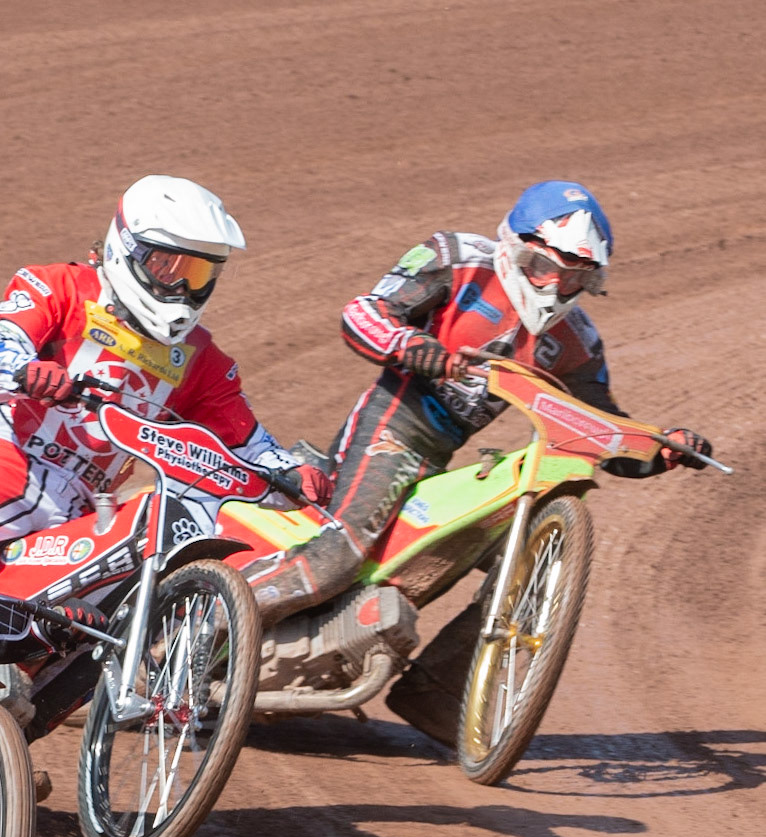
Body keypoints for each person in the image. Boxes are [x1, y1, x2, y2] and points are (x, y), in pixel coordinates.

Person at [240, 181, 713, 739]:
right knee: (342, 555)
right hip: (393, 426)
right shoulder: (455, 258)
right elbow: (363, 314)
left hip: (452, 460)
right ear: (515, 247)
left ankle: (439, 696)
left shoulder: (577, 340)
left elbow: (602, 430)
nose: (556, 285)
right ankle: (204, 629)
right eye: (543, 267)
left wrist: (663, 449)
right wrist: (410, 346)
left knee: (532, 559)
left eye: (575, 276)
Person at [0, 175, 330, 565]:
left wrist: (293, 474)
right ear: (127, 247)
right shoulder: (58, 286)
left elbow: (248, 447)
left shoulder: (202, 360)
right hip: (11, 461)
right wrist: (26, 372)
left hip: (92, 508)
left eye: (198, 273)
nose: (181, 288)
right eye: (168, 268)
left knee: (136, 573)